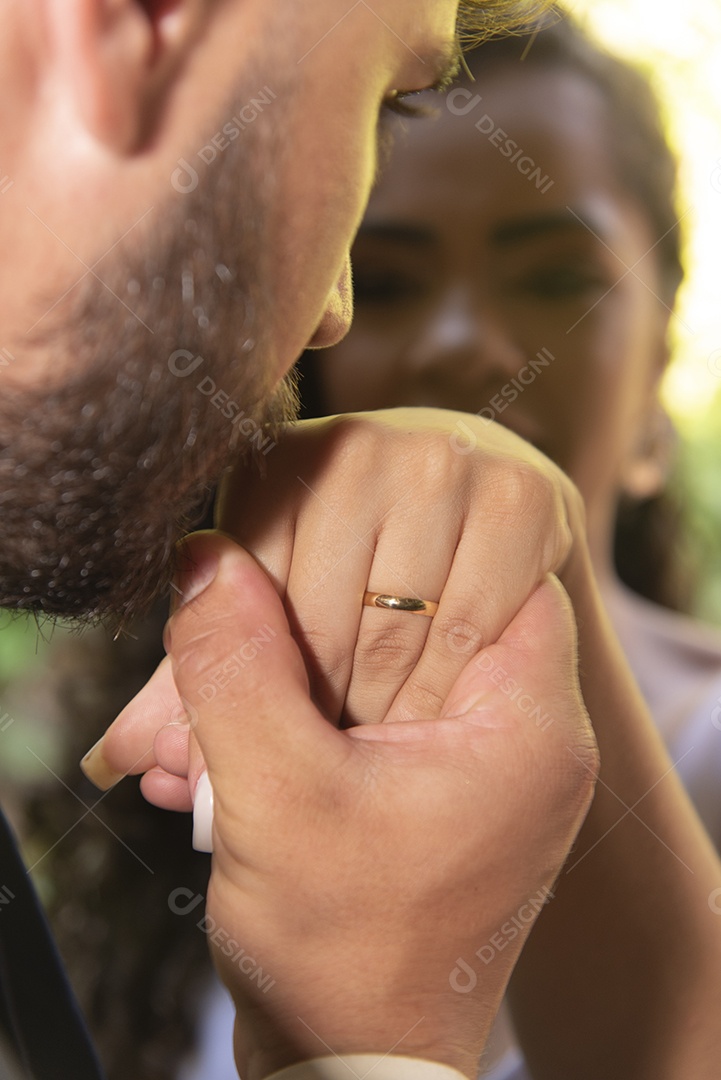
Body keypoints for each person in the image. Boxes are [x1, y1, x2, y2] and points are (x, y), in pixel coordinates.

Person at [2, 4, 721, 1080]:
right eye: (385, 276)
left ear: (662, 343)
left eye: (556, 277)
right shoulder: (145, 777)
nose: (462, 342)